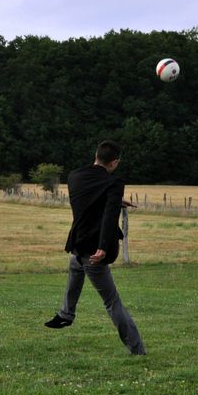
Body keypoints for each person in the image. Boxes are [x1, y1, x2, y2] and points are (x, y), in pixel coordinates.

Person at [44, 140, 146, 355]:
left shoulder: (75, 176)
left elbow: (90, 200)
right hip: (94, 251)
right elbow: (109, 216)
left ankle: (66, 314)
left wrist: (117, 200)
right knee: (111, 301)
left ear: (96, 155)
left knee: (75, 269)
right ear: (115, 162)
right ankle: (137, 349)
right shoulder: (114, 183)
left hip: (78, 244)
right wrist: (102, 247)